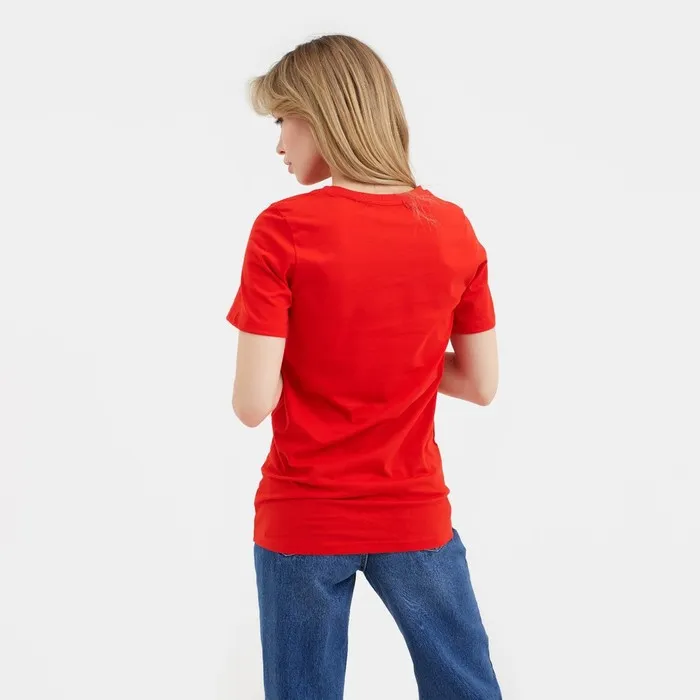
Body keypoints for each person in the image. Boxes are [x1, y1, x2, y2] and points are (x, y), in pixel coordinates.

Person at [226, 33, 503, 700]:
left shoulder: (283, 229)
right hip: (414, 512)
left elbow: (251, 403)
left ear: (320, 115)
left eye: (282, 120)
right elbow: (480, 383)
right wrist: (395, 357)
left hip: (305, 516)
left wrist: (324, 351)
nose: (279, 144)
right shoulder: (452, 228)